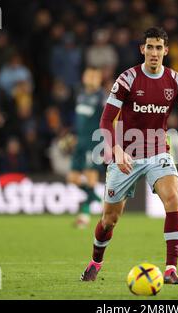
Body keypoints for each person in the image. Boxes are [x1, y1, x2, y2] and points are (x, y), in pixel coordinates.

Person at [81, 27, 178, 284]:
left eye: (159, 48)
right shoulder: (127, 79)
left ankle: (170, 270)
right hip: (126, 156)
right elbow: (106, 120)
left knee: (172, 199)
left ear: (166, 51)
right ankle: (95, 261)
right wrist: (115, 150)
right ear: (142, 49)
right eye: (150, 47)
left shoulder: (175, 81)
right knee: (109, 220)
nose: (154, 53)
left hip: (158, 152)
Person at [67, 67, 105, 228]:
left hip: (94, 141)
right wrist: (73, 135)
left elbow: (112, 119)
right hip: (80, 141)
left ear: (99, 79)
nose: (90, 78)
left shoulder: (102, 97)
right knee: (72, 178)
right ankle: (96, 198)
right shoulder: (80, 95)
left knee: (90, 177)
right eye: (88, 74)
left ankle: (84, 215)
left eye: (93, 76)